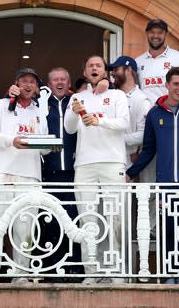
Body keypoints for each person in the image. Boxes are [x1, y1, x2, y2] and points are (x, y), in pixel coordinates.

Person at [126, 66, 179, 284]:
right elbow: (149, 148)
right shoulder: (154, 114)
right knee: (167, 229)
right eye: (176, 84)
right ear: (167, 85)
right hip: (165, 183)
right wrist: (131, 173)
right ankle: (169, 273)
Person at [64, 56, 130, 284]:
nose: (94, 68)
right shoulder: (77, 97)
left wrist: (99, 121)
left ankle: (116, 271)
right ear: (84, 70)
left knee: (115, 217)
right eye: (90, 65)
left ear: (105, 72)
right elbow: (69, 129)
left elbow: (124, 122)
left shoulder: (117, 95)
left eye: (98, 65)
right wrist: (74, 111)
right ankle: (92, 272)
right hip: (85, 163)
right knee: (88, 219)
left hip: (112, 162)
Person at [0, 68, 50, 283]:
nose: (28, 85)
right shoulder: (1, 105)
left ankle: (21, 275)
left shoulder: (39, 111)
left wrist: (50, 145)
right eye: (24, 81)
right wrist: (11, 141)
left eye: (32, 81)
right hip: (1, 172)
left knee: (26, 228)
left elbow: (45, 147)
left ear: (37, 87)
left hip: (29, 175)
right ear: (16, 84)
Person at [39, 67, 83, 280]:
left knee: (74, 220)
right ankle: (52, 268)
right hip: (49, 172)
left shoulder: (76, 103)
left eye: (63, 79)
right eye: (55, 79)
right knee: (51, 221)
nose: (59, 82)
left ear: (68, 82)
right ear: (49, 83)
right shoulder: (40, 103)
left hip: (74, 173)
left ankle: (74, 267)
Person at [136, 19, 179, 103]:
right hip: (146, 114)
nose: (155, 36)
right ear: (146, 33)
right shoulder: (138, 61)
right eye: (152, 32)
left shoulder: (178, 57)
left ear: (166, 34)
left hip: (170, 112)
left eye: (160, 32)